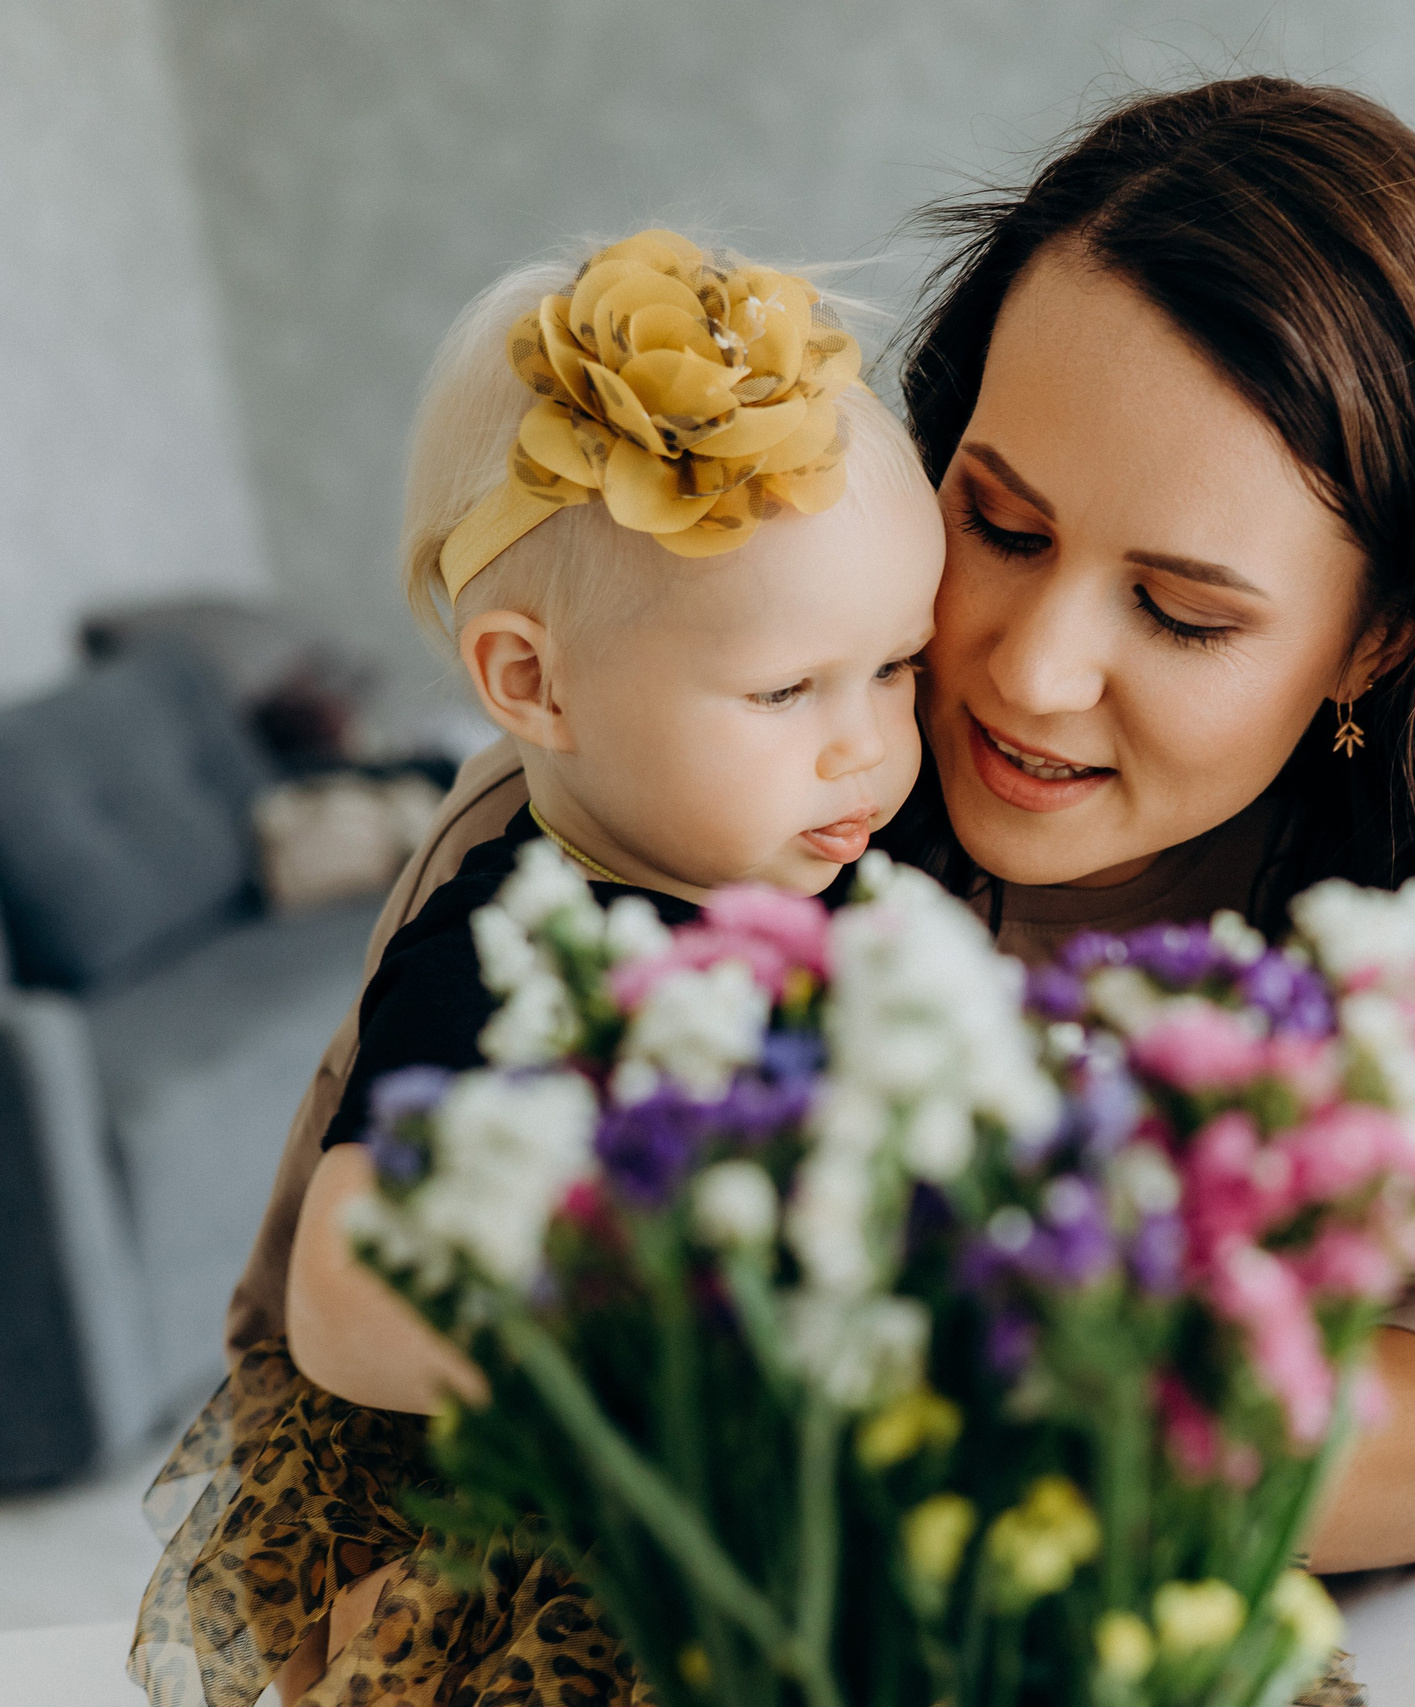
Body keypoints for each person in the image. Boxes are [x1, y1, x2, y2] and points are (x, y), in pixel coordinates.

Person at [186, 73, 1415, 1698]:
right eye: (999, 524)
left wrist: (973, 1409)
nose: (1030, 669)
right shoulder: (622, 819)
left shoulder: (1412, 919)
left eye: (1182, 612)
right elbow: (333, 1364)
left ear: (1378, 638)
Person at [134, 227, 946, 1706]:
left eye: (897, 665)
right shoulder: (517, 945)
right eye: (785, 689)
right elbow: (342, 1287)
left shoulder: (837, 874)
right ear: (532, 683)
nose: (870, 743)